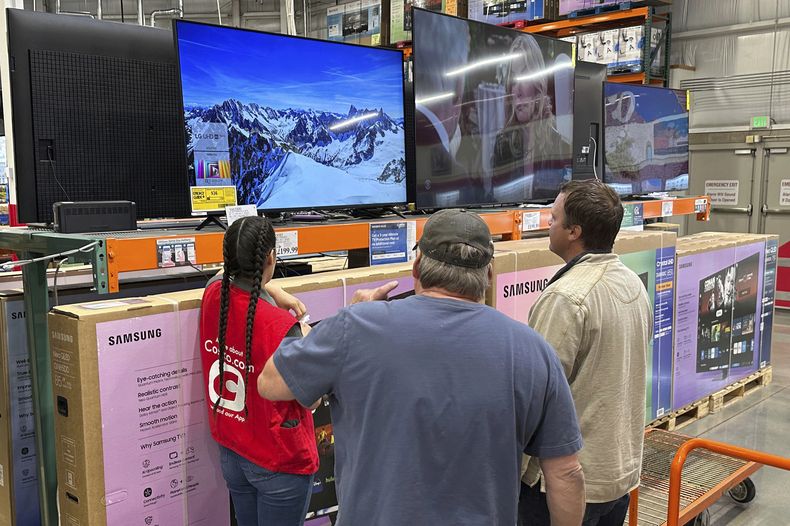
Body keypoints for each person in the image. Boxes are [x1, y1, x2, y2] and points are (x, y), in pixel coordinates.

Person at [258, 209, 586, 526]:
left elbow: (269, 384)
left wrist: (348, 317)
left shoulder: (355, 327)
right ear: (488, 275)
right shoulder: (533, 350)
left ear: (416, 267)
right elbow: (566, 472)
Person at [520, 180, 652, 526]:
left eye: (553, 218)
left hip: (566, 488)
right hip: (618, 474)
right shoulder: (632, 283)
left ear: (573, 231)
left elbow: (535, 393)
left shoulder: (566, 298)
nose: (548, 225)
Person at [199, 216, 318, 526]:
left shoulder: (213, 294)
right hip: (277, 460)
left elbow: (220, 275)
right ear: (271, 258)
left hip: (233, 450)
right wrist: (308, 340)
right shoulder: (283, 328)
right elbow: (312, 399)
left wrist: (272, 290)